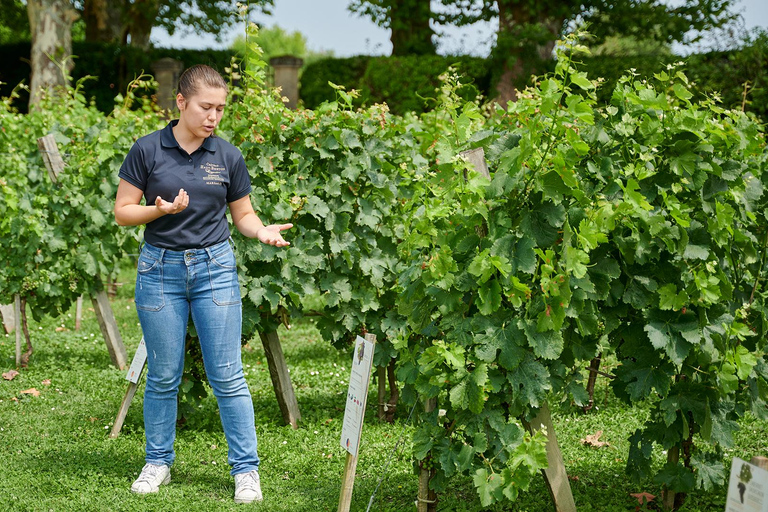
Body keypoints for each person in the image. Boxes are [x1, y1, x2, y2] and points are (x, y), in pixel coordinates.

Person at [114, 64, 292, 504]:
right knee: (164, 375)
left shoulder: (227, 156)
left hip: (215, 269)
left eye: (220, 109)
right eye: (205, 107)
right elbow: (123, 211)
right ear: (180, 102)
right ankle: (158, 462)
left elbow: (243, 216)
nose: (213, 117)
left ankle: (246, 471)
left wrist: (260, 230)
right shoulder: (147, 149)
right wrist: (158, 211)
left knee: (228, 375)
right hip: (159, 271)